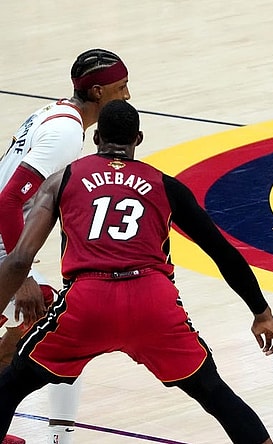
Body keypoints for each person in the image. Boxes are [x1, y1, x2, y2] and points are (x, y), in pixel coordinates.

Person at [0, 100, 273, 444]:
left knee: (11, 384)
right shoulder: (166, 186)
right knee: (215, 395)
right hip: (152, 301)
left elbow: (19, 260)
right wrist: (262, 312)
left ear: (96, 139)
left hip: (88, 302)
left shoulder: (64, 179)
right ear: (138, 138)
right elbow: (222, 252)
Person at [0, 48, 132, 444]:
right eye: (120, 87)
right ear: (96, 93)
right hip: (3, 246)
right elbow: (8, 200)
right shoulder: (66, 132)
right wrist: (19, 276)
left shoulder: (52, 112)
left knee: (29, 331)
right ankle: (63, 438)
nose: (126, 95)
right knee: (59, 329)